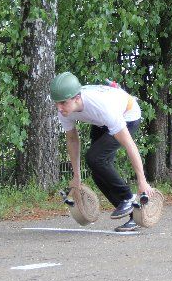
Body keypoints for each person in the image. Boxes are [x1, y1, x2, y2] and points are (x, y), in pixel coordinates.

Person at [51, 72, 154, 232]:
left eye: (63, 103)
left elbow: (129, 144)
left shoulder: (101, 107)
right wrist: (76, 177)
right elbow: (72, 140)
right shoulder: (64, 109)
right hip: (100, 121)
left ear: (77, 98)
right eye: (57, 103)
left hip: (127, 114)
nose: (59, 107)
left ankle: (129, 198)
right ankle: (134, 214)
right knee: (97, 170)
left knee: (95, 158)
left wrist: (142, 180)